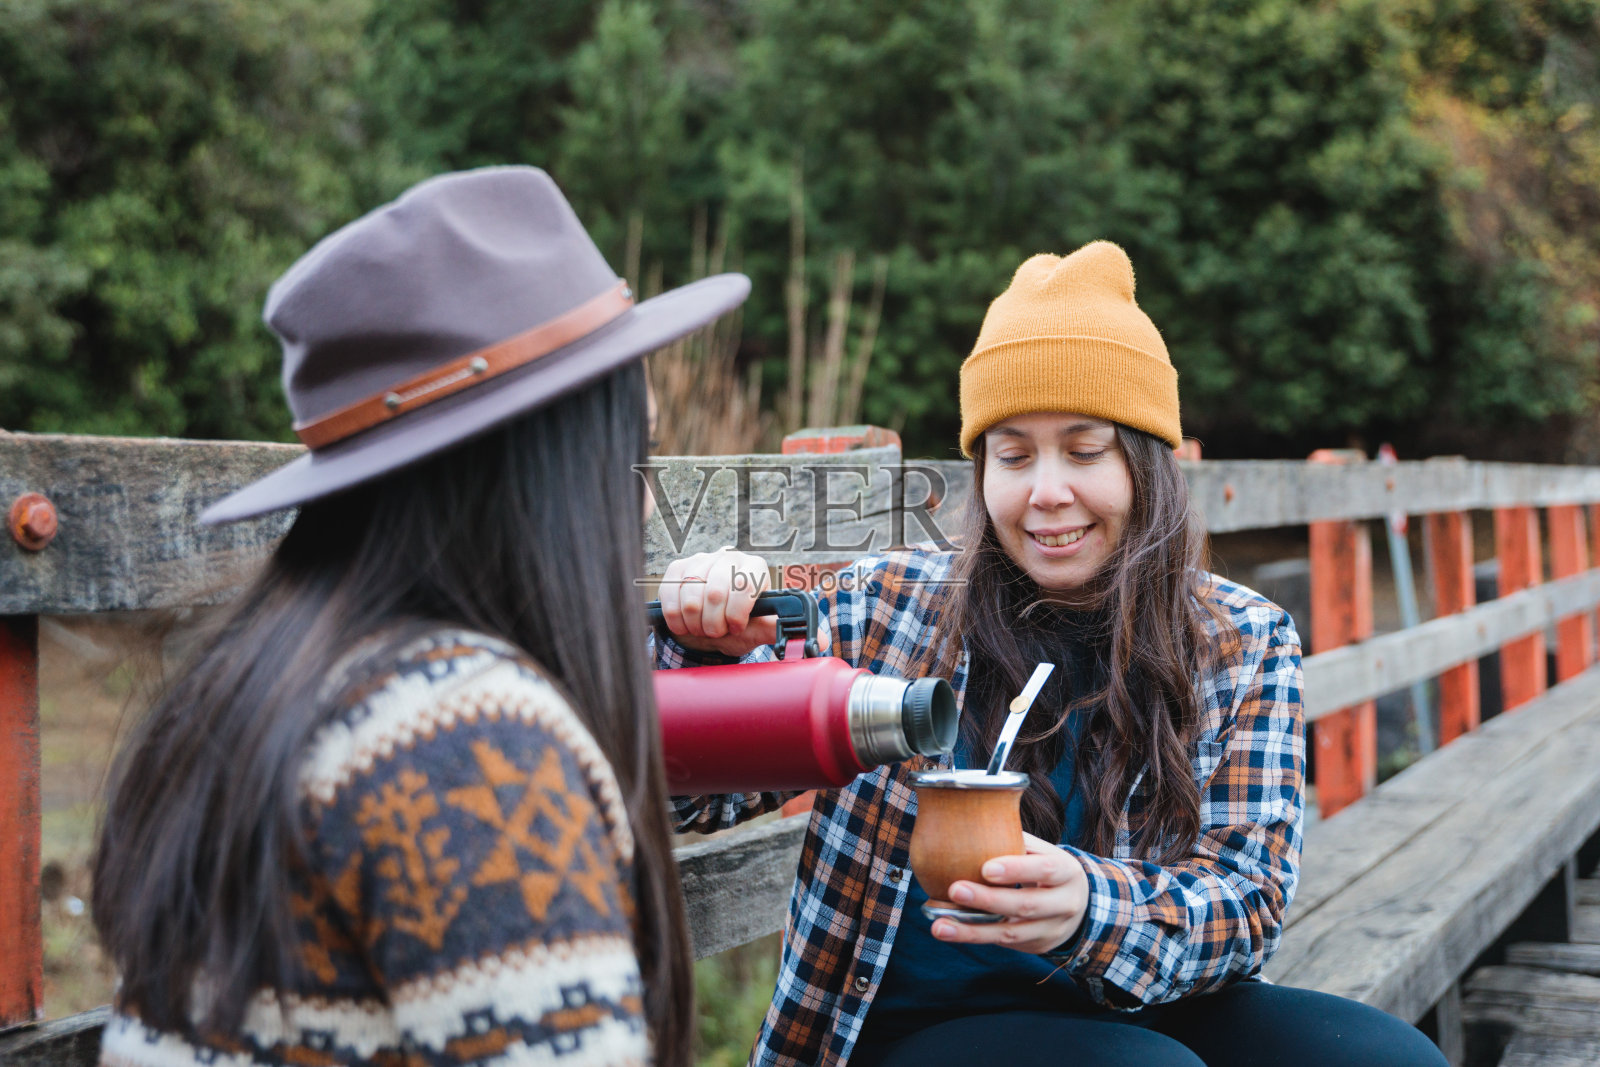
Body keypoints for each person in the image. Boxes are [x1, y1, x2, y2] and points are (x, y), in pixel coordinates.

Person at [654, 243, 1448, 1067]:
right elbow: (687, 798)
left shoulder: (1241, 641)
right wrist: (697, 642)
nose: (1046, 492)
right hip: (902, 1033)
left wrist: (1088, 910)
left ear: (1147, 462)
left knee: (1387, 1058)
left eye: (1084, 448)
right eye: (1014, 454)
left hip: (1134, 993)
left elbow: (1246, 905)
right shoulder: (883, 609)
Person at [91, 167, 749, 1067]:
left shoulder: (271, 681)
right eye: (635, 456)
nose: (637, 508)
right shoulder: (469, 744)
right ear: (547, 477)